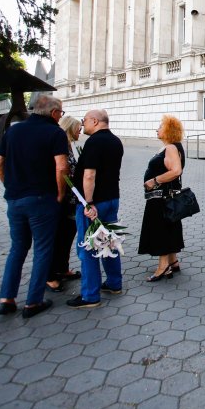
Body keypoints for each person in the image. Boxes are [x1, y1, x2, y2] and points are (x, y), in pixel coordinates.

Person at [0, 95, 68, 318]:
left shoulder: (14, 131)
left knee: (17, 248)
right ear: (54, 113)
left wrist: (9, 185)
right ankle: (33, 302)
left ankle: (7, 299)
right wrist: (60, 193)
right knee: (43, 249)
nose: (60, 117)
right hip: (42, 199)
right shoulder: (55, 133)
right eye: (61, 113)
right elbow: (61, 167)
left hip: (15, 199)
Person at [67, 109, 125, 308]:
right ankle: (114, 283)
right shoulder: (116, 141)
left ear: (95, 121)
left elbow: (89, 175)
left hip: (94, 203)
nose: (83, 125)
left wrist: (88, 202)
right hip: (111, 199)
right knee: (108, 241)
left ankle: (90, 296)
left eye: (84, 121)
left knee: (90, 247)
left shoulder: (94, 142)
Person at [138, 114, 186, 282]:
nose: (157, 129)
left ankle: (163, 266)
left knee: (160, 229)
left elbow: (176, 171)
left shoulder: (171, 148)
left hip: (161, 197)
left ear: (169, 131)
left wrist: (154, 180)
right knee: (169, 227)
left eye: (160, 127)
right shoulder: (171, 147)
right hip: (164, 197)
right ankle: (173, 261)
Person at [45, 116, 82, 293]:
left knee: (67, 235)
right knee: (58, 237)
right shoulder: (61, 145)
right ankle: (51, 275)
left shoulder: (70, 145)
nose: (80, 131)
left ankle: (63, 268)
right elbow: (62, 170)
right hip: (62, 199)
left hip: (72, 200)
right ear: (70, 128)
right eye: (78, 128)